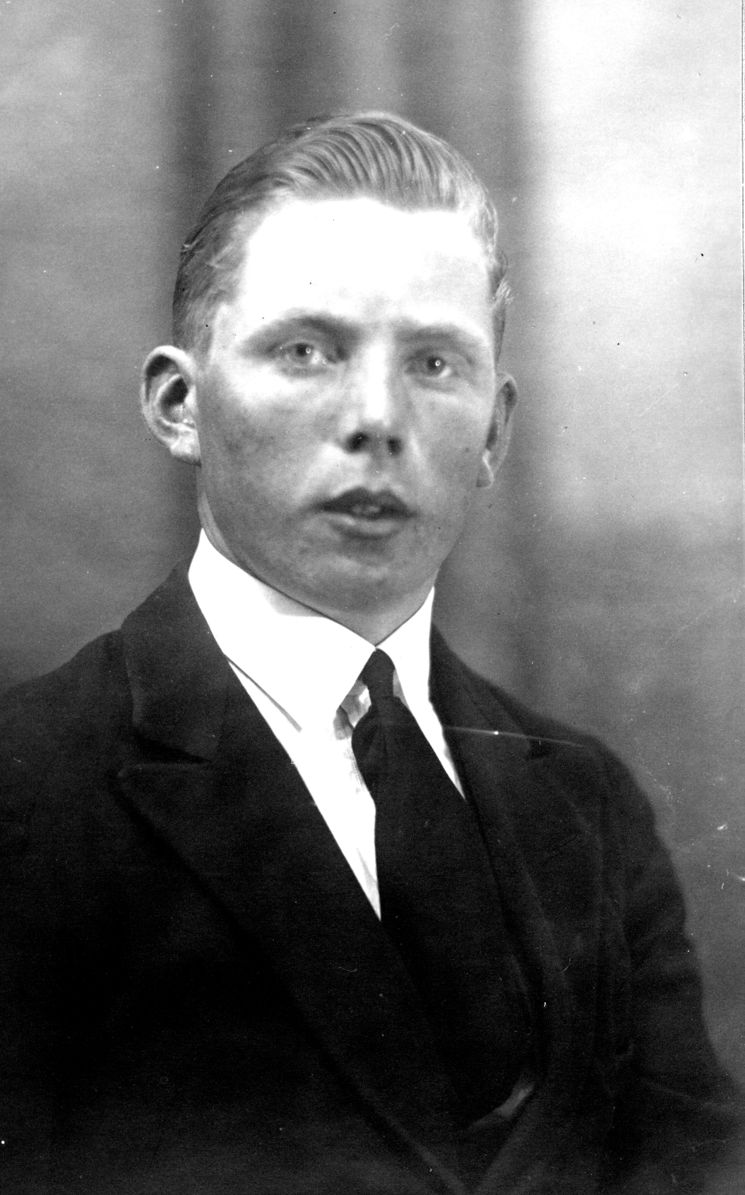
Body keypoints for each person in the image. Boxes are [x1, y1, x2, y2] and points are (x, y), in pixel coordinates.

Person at [0, 112, 740, 1195]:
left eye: (434, 363)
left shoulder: (587, 804)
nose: (378, 418)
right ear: (179, 403)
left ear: (493, 433)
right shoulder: (26, 791)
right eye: (306, 351)